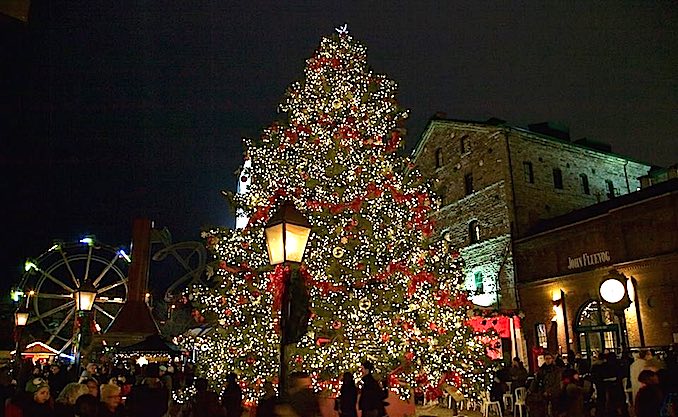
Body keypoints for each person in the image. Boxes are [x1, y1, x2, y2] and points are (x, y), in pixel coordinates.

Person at [528, 352, 562, 417]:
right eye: (546, 359)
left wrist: (549, 391)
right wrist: (530, 390)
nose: (548, 360)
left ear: (552, 359)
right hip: (543, 391)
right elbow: (536, 380)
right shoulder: (542, 370)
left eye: (549, 358)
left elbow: (557, 383)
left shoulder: (556, 370)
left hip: (553, 392)